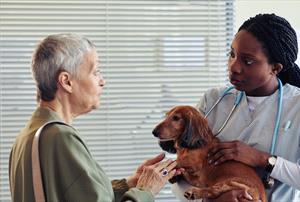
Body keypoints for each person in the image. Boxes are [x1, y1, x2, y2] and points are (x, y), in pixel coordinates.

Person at [172, 13, 300, 201]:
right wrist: (211, 199)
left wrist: (264, 160)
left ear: (276, 68)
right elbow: (181, 172)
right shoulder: (213, 100)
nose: (234, 67)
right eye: (232, 54)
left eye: (247, 61)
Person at [9, 33, 182, 202]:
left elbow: (78, 194)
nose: (102, 81)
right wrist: (146, 191)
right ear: (66, 81)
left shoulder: (26, 136)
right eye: (95, 72)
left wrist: (131, 183)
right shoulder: (60, 137)